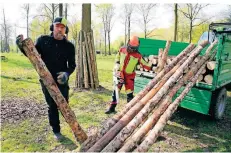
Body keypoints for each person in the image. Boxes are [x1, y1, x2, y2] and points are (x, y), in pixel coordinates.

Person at [16, 17, 76, 141]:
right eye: (57, 26)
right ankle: (56, 130)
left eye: (62, 27)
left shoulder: (69, 46)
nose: (60, 29)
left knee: (64, 105)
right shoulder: (43, 41)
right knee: (52, 106)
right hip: (46, 80)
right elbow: (32, 55)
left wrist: (66, 74)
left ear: (66, 30)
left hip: (61, 80)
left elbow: (72, 65)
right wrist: (22, 47)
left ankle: (74, 128)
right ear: (52, 27)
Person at [105, 36, 152, 114]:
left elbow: (145, 64)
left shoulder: (138, 55)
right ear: (128, 43)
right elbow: (118, 56)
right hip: (120, 74)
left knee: (129, 94)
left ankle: (129, 111)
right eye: (131, 47)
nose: (133, 49)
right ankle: (112, 108)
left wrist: (152, 66)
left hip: (129, 76)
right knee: (115, 91)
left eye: (134, 47)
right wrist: (117, 64)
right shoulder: (122, 49)